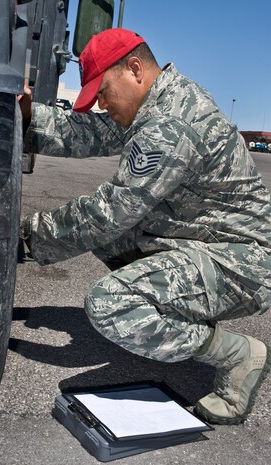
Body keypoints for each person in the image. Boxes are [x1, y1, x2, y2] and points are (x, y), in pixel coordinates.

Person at [19, 28, 271, 425]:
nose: (101, 104)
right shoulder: (155, 101)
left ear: (134, 69)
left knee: (111, 304)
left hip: (245, 262)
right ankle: (181, 312)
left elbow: (110, 211)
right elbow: (87, 132)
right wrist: (29, 115)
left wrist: (25, 240)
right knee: (112, 236)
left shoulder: (169, 123)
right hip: (205, 241)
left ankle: (236, 353)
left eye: (102, 92)